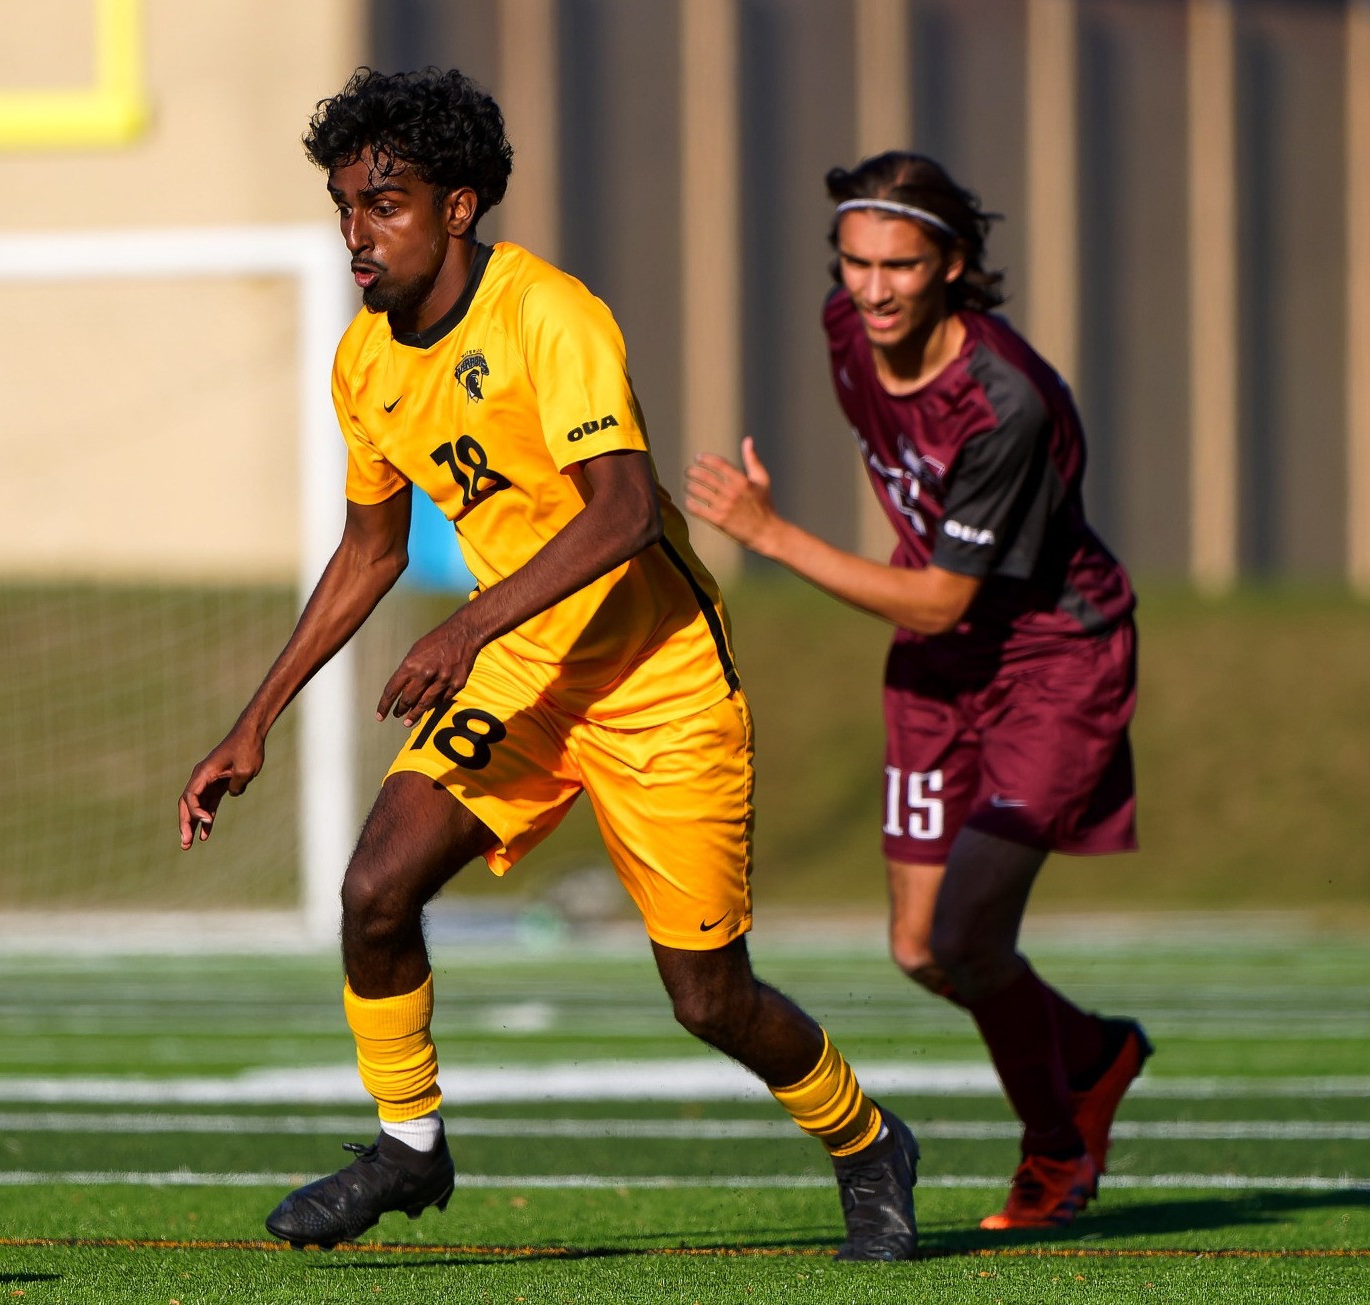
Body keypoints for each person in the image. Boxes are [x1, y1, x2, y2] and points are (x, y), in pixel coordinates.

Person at [177, 67, 920, 1262]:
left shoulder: (547, 316)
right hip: (523, 682)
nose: (356, 237)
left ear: (460, 207)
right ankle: (408, 1146)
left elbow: (626, 511)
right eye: (344, 208)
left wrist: (464, 627)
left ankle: (865, 1140)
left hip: (655, 682)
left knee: (707, 999)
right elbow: (369, 550)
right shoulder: (363, 363)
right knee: (374, 892)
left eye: (386, 204)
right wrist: (252, 719)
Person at [684, 151, 1151, 1231]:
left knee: (962, 940)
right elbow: (930, 594)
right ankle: (1090, 1053)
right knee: (914, 947)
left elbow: (943, 596)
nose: (872, 288)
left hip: (1049, 663)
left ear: (951, 264)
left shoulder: (1006, 402)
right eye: (854, 262)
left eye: (899, 265)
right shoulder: (844, 331)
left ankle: (1056, 1150)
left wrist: (766, 534)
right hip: (935, 667)